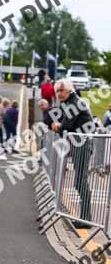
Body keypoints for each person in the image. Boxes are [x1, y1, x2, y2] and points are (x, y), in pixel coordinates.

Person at [51, 79, 95, 227]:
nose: (58, 94)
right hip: (79, 144)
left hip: (82, 145)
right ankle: (85, 218)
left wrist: (58, 127)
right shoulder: (70, 103)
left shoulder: (74, 103)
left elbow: (65, 126)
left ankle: (86, 219)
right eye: (56, 91)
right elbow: (65, 126)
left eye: (60, 90)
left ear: (68, 90)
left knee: (80, 182)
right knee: (79, 182)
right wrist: (60, 126)